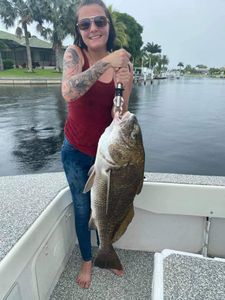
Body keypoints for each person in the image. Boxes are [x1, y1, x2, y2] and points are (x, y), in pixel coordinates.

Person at [61, 0, 133, 289]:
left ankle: (108, 251)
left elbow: (120, 115)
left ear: (108, 25)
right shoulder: (74, 54)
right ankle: (88, 260)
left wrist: (124, 80)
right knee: (82, 209)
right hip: (76, 151)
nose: (93, 28)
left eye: (99, 21)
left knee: (111, 207)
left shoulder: (124, 63)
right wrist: (106, 62)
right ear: (79, 30)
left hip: (108, 156)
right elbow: (68, 92)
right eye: (85, 24)